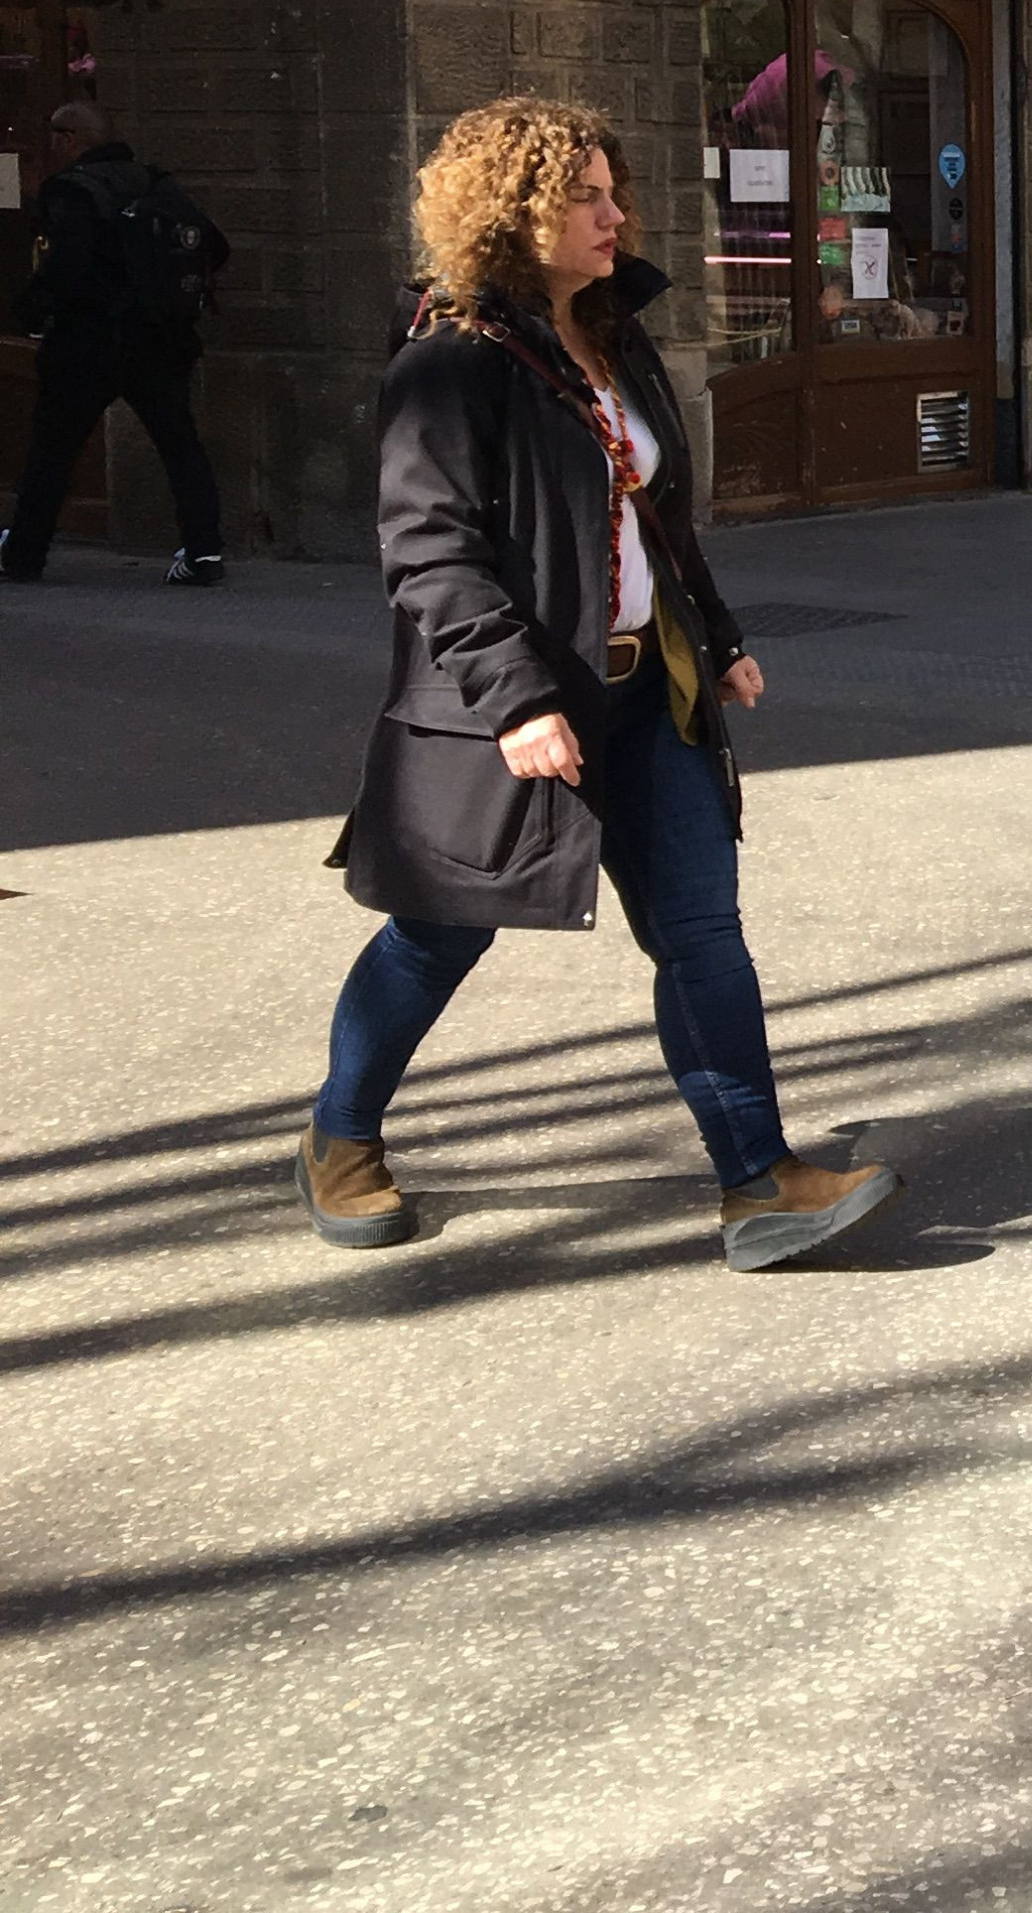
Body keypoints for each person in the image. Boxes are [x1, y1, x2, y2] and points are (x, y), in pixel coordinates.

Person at [300, 96, 898, 1272]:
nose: (615, 214)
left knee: (702, 935)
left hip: (649, 694)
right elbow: (428, 549)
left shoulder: (613, 335)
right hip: (509, 711)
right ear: (515, 213)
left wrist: (718, 636)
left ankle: (758, 1180)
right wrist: (517, 698)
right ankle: (338, 1137)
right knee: (439, 936)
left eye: (612, 190)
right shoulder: (450, 357)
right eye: (586, 195)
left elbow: (655, 513)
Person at [5, 100, 230, 585]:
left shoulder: (73, 191)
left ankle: (24, 554)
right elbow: (215, 245)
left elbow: (65, 268)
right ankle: (204, 551)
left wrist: (28, 309)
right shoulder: (156, 183)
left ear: (69, 139)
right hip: (160, 339)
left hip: (88, 340)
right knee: (178, 443)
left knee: (53, 451)